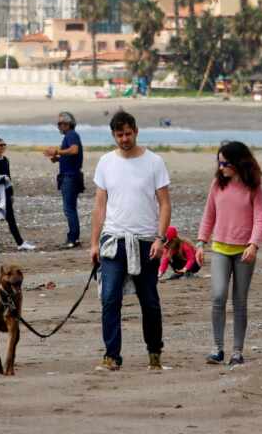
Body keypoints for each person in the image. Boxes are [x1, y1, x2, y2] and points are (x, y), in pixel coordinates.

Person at [90, 109, 170, 371]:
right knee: (110, 298)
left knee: (149, 299)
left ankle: (154, 352)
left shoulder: (154, 162)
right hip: (113, 240)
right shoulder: (105, 162)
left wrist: (160, 238)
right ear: (113, 135)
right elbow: (99, 206)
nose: (124, 138)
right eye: (119, 134)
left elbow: (165, 204)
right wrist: (94, 243)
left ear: (136, 131)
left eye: (128, 133)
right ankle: (112, 355)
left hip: (146, 241)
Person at [196, 141, 262, 366]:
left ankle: (237, 351)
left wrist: (253, 244)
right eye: (219, 162)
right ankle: (217, 348)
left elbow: (259, 218)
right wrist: (200, 242)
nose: (221, 166)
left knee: (240, 301)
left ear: (238, 162)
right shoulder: (217, 184)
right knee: (218, 296)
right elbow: (209, 215)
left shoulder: (253, 186)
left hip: (244, 251)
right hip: (220, 249)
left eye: (225, 162)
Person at [43, 112, 84, 249]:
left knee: (69, 209)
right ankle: (74, 237)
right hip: (70, 176)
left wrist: (57, 152)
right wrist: (57, 158)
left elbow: (74, 150)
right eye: (58, 124)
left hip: (70, 177)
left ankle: (73, 238)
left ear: (68, 124)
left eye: (61, 123)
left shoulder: (71, 135)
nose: (59, 126)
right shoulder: (69, 136)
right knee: (70, 208)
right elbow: (71, 155)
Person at [0, 137, 34, 251]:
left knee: (11, 218)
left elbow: (9, 177)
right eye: (0, 145)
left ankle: (20, 243)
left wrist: (11, 194)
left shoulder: (5, 160)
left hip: (5, 192)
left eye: (4, 145)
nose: (2, 147)